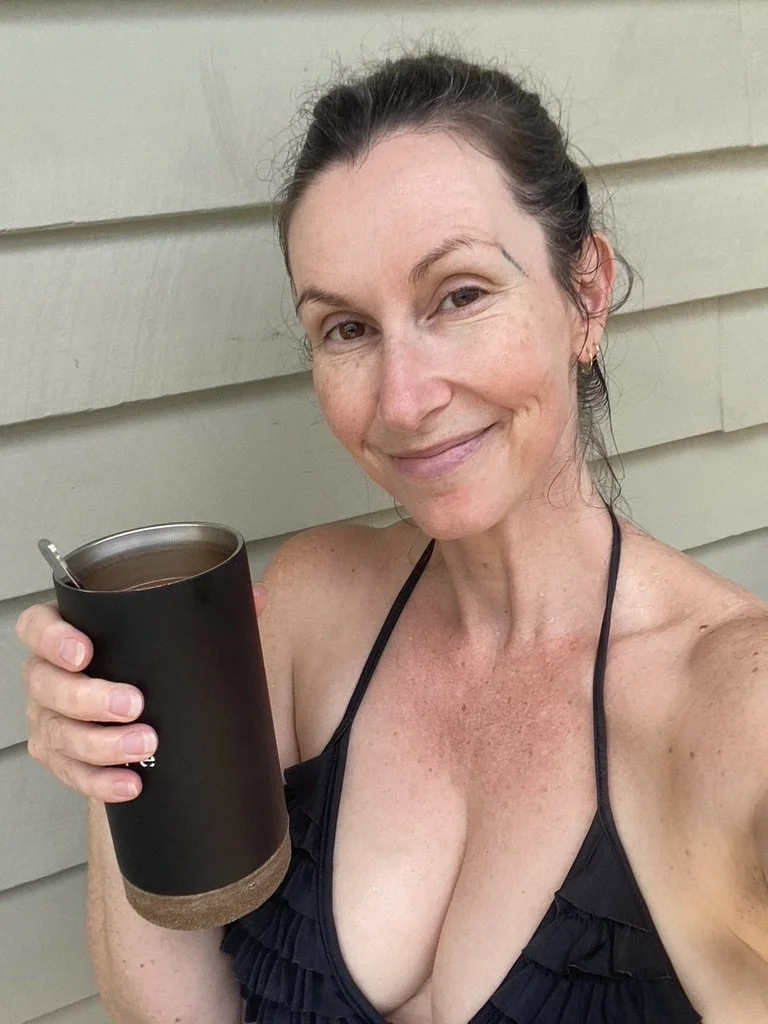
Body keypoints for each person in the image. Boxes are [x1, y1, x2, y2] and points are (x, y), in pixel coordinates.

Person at [16, 50, 768, 1024]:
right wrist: (118, 757)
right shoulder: (312, 607)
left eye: (458, 295)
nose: (404, 401)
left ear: (585, 295)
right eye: (346, 329)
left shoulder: (727, 709)